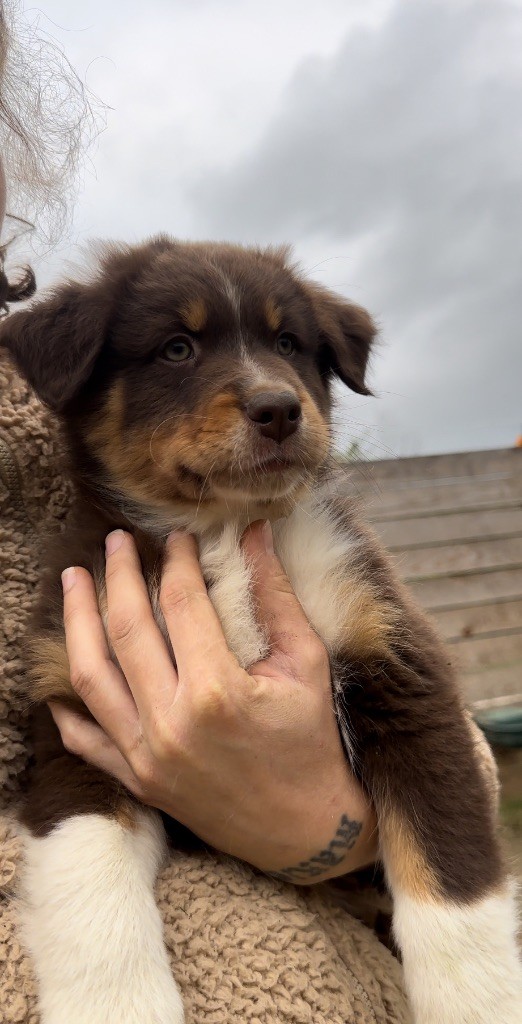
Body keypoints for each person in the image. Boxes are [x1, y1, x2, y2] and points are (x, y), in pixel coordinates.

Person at [0, 4, 411, 1022]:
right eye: (179, 352)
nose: (268, 391)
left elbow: (436, 735)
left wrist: (333, 829)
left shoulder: (61, 416)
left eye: (288, 351)